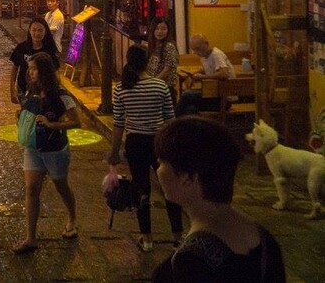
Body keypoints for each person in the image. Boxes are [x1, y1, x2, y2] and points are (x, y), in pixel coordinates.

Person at [151, 117, 286, 283]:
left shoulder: (190, 264)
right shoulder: (265, 240)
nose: (158, 170)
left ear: (187, 178)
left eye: (161, 162)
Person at [107, 45, 181, 253]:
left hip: (135, 143)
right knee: (169, 188)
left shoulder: (121, 88)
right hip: (159, 142)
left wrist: (114, 152)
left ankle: (147, 238)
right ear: (148, 62)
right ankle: (178, 237)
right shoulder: (160, 86)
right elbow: (170, 119)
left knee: (141, 190)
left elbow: (119, 123)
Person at [14, 52, 80, 254]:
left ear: (44, 71)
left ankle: (72, 218)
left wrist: (52, 124)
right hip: (33, 148)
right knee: (31, 189)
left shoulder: (61, 95)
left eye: (34, 69)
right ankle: (30, 238)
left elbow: (76, 121)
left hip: (55, 149)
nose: (30, 73)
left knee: (61, 186)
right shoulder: (30, 92)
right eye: (30, 69)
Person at [175, 34, 235, 116]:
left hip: (224, 99)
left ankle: (172, 120)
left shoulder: (216, 54)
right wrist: (193, 75)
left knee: (187, 95)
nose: (196, 52)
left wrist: (202, 77)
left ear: (206, 44)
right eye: (194, 50)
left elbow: (224, 73)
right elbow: (208, 70)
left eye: (198, 48)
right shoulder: (204, 57)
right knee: (190, 109)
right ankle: (183, 123)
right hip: (214, 94)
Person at [9, 17, 59, 106]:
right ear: (29, 31)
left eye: (40, 30)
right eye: (34, 30)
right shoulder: (22, 47)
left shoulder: (49, 49)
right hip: (24, 87)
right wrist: (12, 89)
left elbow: (55, 70)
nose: (37, 33)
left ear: (45, 31)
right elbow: (15, 68)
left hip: (44, 90)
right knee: (27, 111)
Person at [147, 18, 180, 106]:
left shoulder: (169, 46)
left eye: (163, 29)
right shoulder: (153, 46)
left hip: (165, 89)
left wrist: (153, 83)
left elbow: (167, 70)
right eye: (157, 28)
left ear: (168, 31)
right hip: (155, 88)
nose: (160, 32)